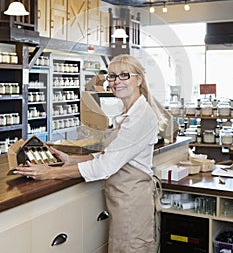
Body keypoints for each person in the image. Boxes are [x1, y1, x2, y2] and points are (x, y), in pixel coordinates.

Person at [15, 54, 159, 253]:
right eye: (112, 76)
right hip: (124, 202)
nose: (116, 81)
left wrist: (50, 173)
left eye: (124, 75)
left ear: (139, 79)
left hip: (132, 206)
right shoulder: (128, 113)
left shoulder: (140, 117)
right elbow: (110, 154)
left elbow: (105, 166)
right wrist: (71, 159)